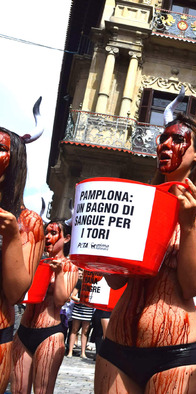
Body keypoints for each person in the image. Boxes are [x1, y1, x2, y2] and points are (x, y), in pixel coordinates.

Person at [94, 87, 196, 393]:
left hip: (173, 353)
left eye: (178, 140)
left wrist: (188, 225)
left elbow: (192, 286)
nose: (165, 144)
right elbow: (114, 283)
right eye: (163, 138)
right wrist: (106, 240)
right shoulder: (140, 204)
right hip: (117, 346)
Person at [0, 98, 46, 392]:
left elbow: (17, 292)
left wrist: (12, 238)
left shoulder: (27, 222)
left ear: (14, 159)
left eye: (1, 148)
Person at [12, 220, 78, 392]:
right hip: (24, 331)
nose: (48, 237)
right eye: (46, 233)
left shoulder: (70, 267)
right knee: (18, 389)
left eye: (54, 233)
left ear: (67, 238)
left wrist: (59, 273)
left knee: (42, 390)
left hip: (49, 334)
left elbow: (60, 301)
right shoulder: (36, 262)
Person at [66, 268, 94, 359]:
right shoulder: (79, 282)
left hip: (88, 309)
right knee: (74, 330)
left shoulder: (93, 283)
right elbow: (73, 296)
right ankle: (70, 351)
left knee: (85, 332)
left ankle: (83, 353)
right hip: (78, 308)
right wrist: (80, 300)